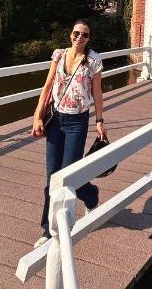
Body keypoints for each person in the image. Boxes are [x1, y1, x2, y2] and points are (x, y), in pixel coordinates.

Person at [31, 19, 106, 246]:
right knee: (52, 175)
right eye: (76, 33)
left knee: (69, 174)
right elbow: (47, 87)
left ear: (89, 38)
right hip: (55, 119)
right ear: (70, 35)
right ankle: (47, 229)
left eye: (84, 35)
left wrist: (100, 120)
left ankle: (91, 195)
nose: (79, 38)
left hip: (77, 122)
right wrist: (37, 116)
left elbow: (98, 92)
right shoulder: (59, 55)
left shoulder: (93, 61)